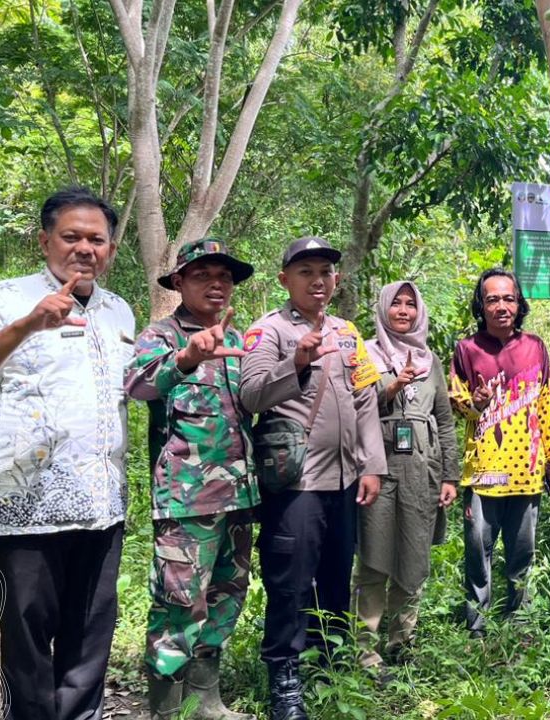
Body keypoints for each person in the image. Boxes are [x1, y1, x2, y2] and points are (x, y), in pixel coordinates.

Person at [0, 186, 134, 719]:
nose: (85, 248)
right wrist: (26, 326)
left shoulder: (119, 313)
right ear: (45, 241)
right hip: (25, 510)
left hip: (101, 508)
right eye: (72, 236)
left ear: (111, 249)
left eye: (97, 239)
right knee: (27, 649)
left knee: (89, 646)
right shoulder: (4, 299)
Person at [238, 236, 386, 720]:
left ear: (336, 280)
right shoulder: (269, 331)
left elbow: (364, 399)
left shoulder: (347, 331)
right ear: (285, 279)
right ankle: (284, 680)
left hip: (344, 481)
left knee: (335, 579)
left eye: (325, 271)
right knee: (291, 584)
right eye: (305, 271)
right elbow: (252, 396)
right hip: (297, 483)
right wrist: (296, 361)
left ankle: (329, 666)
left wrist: (372, 466)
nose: (317, 280)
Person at [124, 238, 257, 720]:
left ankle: (206, 702)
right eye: (203, 275)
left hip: (240, 495)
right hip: (186, 499)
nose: (217, 283)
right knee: (178, 604)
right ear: (179, 281)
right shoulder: (160, 336)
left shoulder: (238, 340)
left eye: (224, 276)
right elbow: (137, 386)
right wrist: (187, 357)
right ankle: (165, 709)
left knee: (227, 597)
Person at [354, 281, 459, 674]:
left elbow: (445, 422)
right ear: (383, 308)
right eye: (395, 303)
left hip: (421, 471)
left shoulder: (430, 360)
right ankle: (365, 649)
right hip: (377, 470)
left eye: (410, 305)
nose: (403, 310)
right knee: (374, 559)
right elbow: (352, 406)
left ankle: (402, 642)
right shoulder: (365, 353)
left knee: (414, 557)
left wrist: (449, 476)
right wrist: (390, 387)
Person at [448, 268, 550, 636]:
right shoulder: (467, 350)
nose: (501, 306)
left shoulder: (535, 347)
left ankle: (519, 625)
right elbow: (454, 402)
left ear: (519, 303)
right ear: (481, 305)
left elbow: (545, 405)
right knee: (478, 552)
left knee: (522, 553)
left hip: (527, 471)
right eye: (492, 299)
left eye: (508, 298)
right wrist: (474, 403)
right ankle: (476, 628)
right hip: (484, 472)